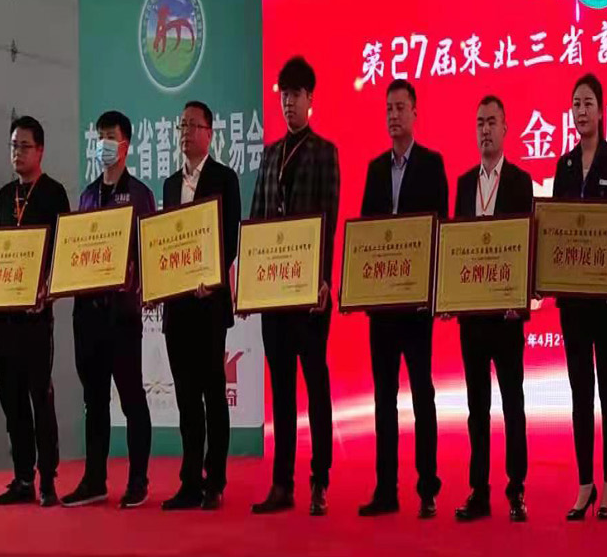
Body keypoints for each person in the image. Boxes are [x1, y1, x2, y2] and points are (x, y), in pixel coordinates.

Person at [251, 56, 341, 516]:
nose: (289, 102)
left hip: (310, 295)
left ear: (310, 99)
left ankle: (319, 479)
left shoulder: (325, 152)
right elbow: (256, 222)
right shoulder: (269, 155)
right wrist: (249, 283)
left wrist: (323, 279)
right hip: (272, 294)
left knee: (316, 384)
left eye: (296, 94)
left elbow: (329, 218)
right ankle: (281, 483)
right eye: (283, 95)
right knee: (282, 390)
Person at [357, 79, 450, 519]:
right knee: (383, 397)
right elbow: (366, 234)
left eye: (400, 108)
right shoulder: (375, 169)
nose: (393, 116)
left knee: (422, 395)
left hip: (414, 305)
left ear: (415, 112)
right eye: (388, 109)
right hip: (382, 307)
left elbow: (440, 228)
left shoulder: (432, 164)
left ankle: (427, 487)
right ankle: (386, 489)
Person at [63, 111, 156, 509]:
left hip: (122, 315)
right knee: (94, 400)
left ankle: (138, 480)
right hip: (88, 315)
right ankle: (95, 480)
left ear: (125, 144)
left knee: (132, 396)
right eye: (99, 136)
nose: (103, 143)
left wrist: (138, 274)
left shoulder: (139, 195)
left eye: (110, 137)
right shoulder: (86, 196)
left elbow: (151, 250)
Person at [451, 95, 535, 523]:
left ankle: (516, 489)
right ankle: (479, 490)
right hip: (472, 318)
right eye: (480, 123)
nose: (485, 130)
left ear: (506, 129)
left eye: (492, 122)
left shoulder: (520, 182)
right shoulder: (464, 183)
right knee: (476, 407)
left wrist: (521, 303)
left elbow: (527, 246)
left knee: (513, 404)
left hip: (506, 317)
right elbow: (455, 248)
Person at [553, 73, 607, 521]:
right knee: (580, 389)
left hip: (606, 302)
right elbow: (555, 230)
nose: (581, 111)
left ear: (601, 111)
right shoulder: (563, 166)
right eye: (576, 104)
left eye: (588, 104)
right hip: (572, 302)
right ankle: (585, 482)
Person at [159, 101, 241, 512]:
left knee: (212, 393)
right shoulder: (170, 184)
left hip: (209, 304)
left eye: (194, 126)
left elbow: (230, 238)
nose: (186, 133)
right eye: (182, 126)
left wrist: (212, 277)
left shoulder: (225, 178)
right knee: (186, 398)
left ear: (210, 133)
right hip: (178, 308)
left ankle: (215, 480)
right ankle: (190, 480)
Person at [0, 115, 71, 507]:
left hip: (36, 315)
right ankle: (22, 476)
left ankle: (48, 478)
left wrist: (48, 287)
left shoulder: (54, 193)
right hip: (3, 314)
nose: (17, 153)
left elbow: (64, 251)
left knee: (40, 396)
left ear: (40, 150)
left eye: (24, 146)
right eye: (13, 146)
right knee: (12, 399)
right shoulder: (5, 195)